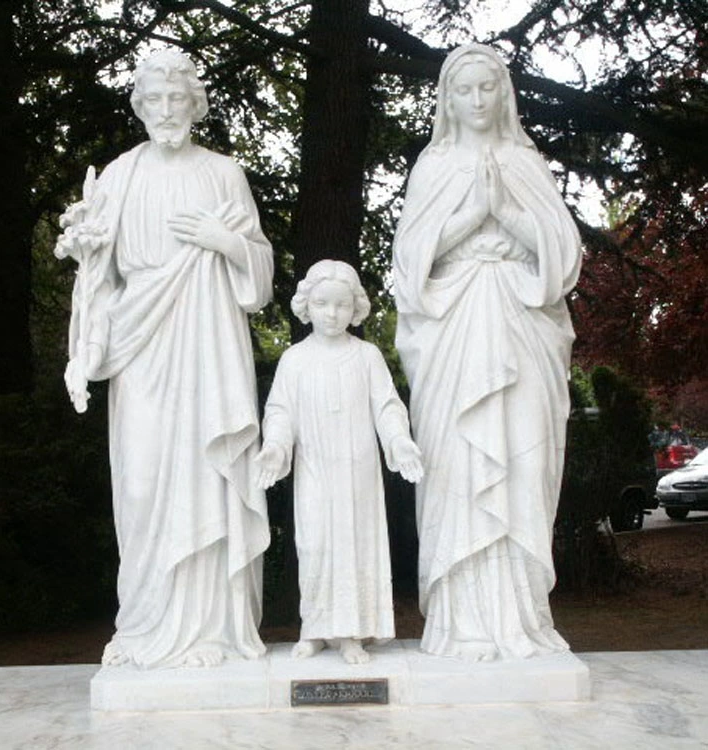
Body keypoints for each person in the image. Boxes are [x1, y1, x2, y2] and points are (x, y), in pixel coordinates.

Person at [55, 50, 273, 668]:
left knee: (207, 474)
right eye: (155, 100)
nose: (168, 110)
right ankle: (145, 627)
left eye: (179, 99)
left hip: (207, 339)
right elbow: (100, 276)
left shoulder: (224, 173)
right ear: (141, 107)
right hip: (141, 345)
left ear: (196, 105)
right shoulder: (120, 175)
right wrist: (88, 346)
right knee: (145, 481)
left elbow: (258, 274)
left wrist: (224, 241)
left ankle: (211, 632)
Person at [392, 44, 582, 660]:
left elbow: (563, 256)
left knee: (522, 466)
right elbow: (410, 262)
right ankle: (461, 623)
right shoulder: (434, 168)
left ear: (504, 95)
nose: (476, 101)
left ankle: (523, 619)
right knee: (457, 466)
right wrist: (475, 214)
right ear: (447, 99)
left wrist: (508, 210)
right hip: (453, 332)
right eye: (464, 91)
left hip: (522, 325)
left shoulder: (526, 164)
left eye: (487, 89)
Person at [256, 260, 423, 664]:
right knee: (314, 546)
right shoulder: (294, 360)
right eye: (322, 303)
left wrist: (399, 441)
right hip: (315, 469)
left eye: (341, 305)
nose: (332, 313)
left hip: (358, 471)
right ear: (306, 305)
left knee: (354, 546)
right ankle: (315, 628)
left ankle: (351, 633)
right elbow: (280, 411)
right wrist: (276, 447)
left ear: (356, 308)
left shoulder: (366, 357)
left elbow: (386, 406)